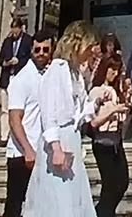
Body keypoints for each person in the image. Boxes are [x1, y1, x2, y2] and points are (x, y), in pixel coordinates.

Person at [26, 21, 98, 216]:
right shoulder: (57, 69)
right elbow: (49, 111)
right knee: (59, 200)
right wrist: (55, 147)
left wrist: (96, 104)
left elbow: (77, 114)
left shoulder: (75, 73)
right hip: (59, 141)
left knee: (73, 199)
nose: (91, 52)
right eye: (89, 47)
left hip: (72, 139)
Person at [4, 27, 56, 217]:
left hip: (42, 151)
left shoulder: (49, 76)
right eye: (37, 50)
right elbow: (14, 119)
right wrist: (27, 150)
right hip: (22, 154)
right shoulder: (21, 80)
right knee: (15, 204)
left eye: (45, 50)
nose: (41, 54)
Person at [85, 52, 132, 217]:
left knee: (122, 182)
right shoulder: (96, 92)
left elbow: (122, 121)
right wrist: (113, 110)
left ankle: (104, 212)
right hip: (102, 142)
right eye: (112, 68)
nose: (115, 73)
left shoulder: (115, 91)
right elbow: (93, 123)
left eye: (117, 69)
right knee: (110, 185)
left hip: (116, 141)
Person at [0, 15, 30, 145]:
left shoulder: (28, 41)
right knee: (5, 108)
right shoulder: (7, 41)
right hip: (7, 77)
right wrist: (5, 62)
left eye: (16, 28)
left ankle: (18, 134)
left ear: (22, 28)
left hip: (20, 78)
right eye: (12, 28)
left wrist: (19, 61)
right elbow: (0, 58)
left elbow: (30, 58)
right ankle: (4, 136)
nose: (14, 31)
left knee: (19, 107)